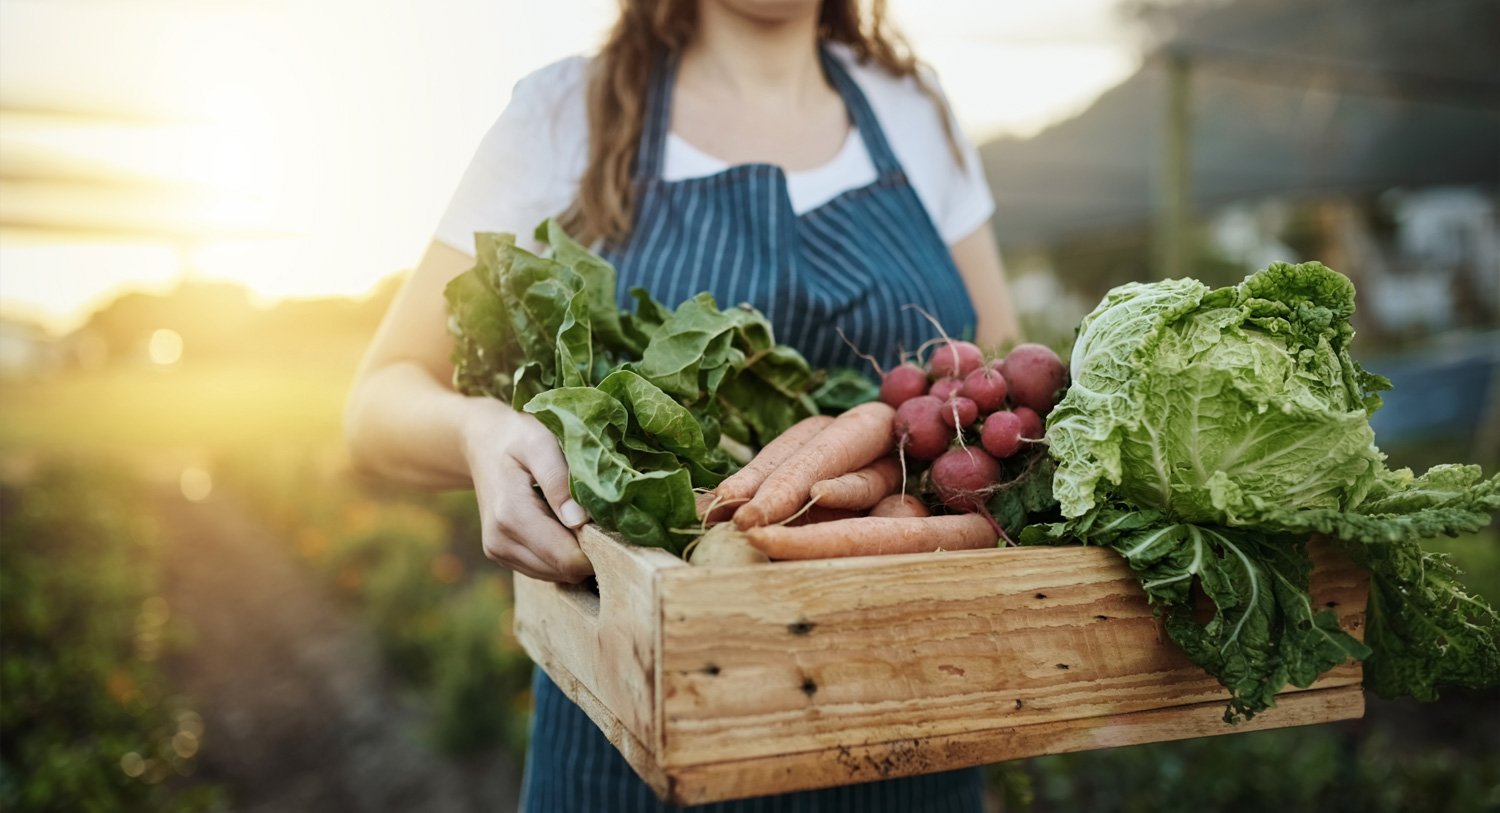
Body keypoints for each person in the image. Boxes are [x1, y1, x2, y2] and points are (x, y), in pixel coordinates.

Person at [345, 0, 1020, 809]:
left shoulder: (913, 106)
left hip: (912, 715)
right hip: (637, 731)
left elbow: (994, 377)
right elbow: (377, 400)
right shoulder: (564, 114)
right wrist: (479, 430)